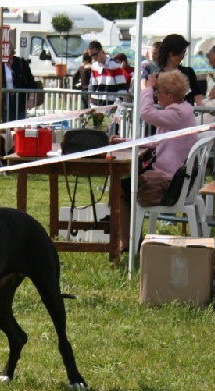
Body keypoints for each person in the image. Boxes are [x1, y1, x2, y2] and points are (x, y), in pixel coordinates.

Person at [116, 71, 197, 251]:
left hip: (169, 182)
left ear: (169, 96)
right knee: (125, 186)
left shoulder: (177, 113)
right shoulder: (182, 111)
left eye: (157, 93)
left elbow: (145, 112)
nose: (155, 96)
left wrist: (147, 88)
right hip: (174, 177)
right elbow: (157, 140)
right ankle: (129, 238)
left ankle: (126, 242)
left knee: (120, 188)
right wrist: (125, 142)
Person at [0, 47, 36, 123]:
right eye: (5, 56)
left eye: (10, 54)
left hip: (20, 102)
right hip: (5, 103)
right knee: (8, 127)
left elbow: (31, 82)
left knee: (20, 127)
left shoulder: (21, 63)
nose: (8, 58)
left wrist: (31, 99)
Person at [156, 34, 203, 105]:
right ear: (170, 52)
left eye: (184, 53)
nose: (182, 56)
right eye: (180, 52)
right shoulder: (156, 75)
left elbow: (197, 94)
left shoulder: (189, 72)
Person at [87, 40, 127, 106]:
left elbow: (122, 88)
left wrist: (116, 103)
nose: (93, 58)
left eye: (95, 54)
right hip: (96, 105)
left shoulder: (115, 65)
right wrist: (91, 101)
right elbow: (92, 87)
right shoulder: (94, 66)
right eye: (91, 55)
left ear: (101, 51)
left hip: (111, 105)